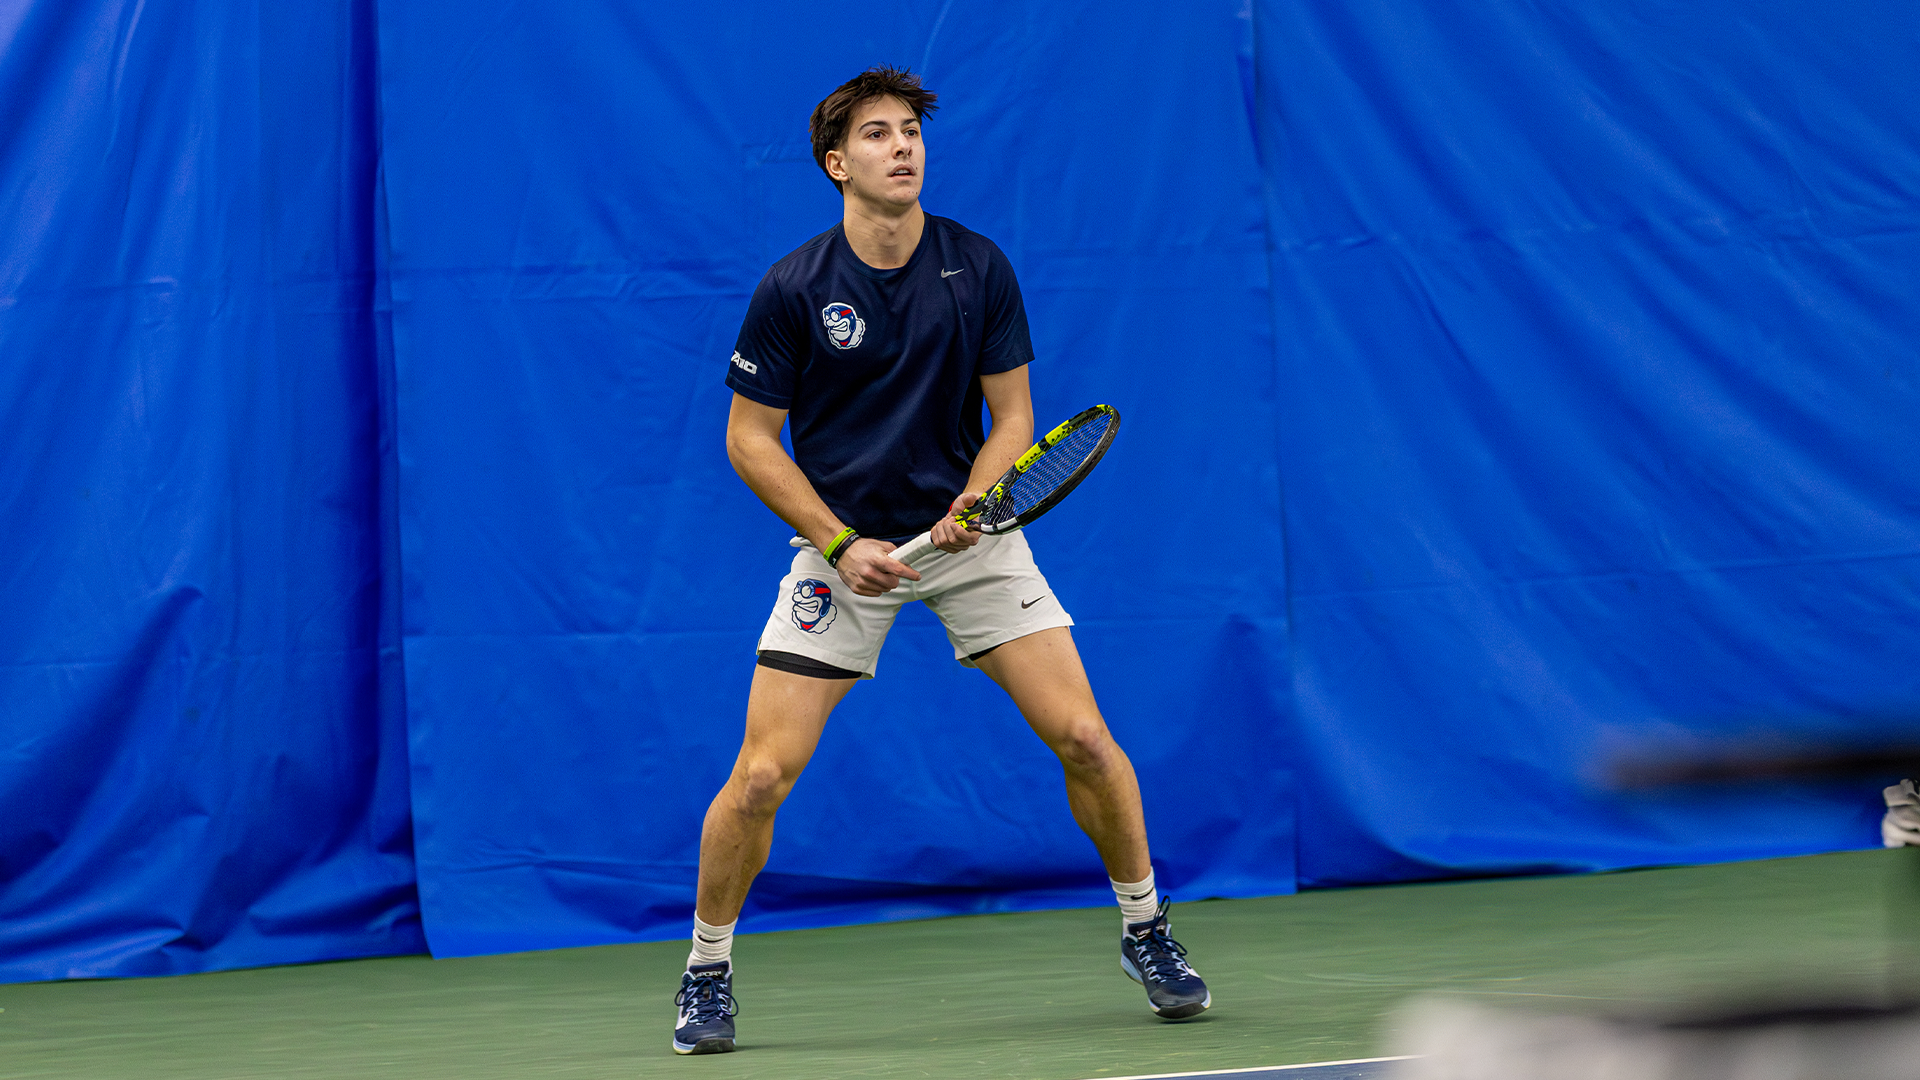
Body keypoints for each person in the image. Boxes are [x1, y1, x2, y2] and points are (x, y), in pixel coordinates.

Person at [672, 66, 1209, 1056]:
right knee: (759, 777)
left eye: (910, 130)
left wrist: (975, 501)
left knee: (1087, 738)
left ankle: (1148, 931)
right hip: (844, 553)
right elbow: (752, 440)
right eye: (876, 135)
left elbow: (1013, 421)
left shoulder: (978, 267)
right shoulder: (794, 288)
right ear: (837, 163)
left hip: (972, 540)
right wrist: (840, 543)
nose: (902, 146)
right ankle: (706, 969)